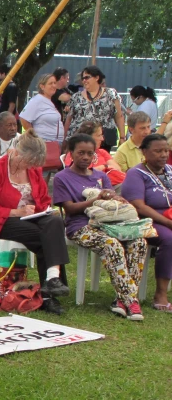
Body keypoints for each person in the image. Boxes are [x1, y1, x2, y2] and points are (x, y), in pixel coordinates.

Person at [53, 133, 145, 320]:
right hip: (79, 227)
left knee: (139, 242)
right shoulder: (62, 178)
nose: (86, 157)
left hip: (108, 223)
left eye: (90, 153)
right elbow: (69, 208)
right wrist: (95, 200)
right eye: (81, 153)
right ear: (71, 153)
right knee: (111, 244)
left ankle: (122, 299)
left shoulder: (101, 176)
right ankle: (131, 301)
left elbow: (110, 201)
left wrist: (114, 199)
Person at [0, 130, 70, 314]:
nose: (30, 167)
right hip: (2, 220)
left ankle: (51, 282)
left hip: (30, 218)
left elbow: (43, 198)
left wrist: (42, 210)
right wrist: (16, 211)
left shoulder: (33, 170)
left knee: (55, 222)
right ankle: (50, 290)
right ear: (18, 153)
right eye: (28, 162)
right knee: (47, 237)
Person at [121, 133, 172, 311]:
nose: (164, 154)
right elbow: (139, 206)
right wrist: (167, 222)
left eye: (166, 150)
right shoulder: (136, 173)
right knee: (169, 239)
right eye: (158, 151)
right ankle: (160, 293)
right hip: (147, 221)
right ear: (144, 152)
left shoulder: (170, 171)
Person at [64, 66, 125, 150]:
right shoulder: (76, 97)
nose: (84, 80)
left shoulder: (111, 94)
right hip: (80, 140)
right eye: (83, 78)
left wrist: (122, 137)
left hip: (103, 139)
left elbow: (119, 116)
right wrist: (64, 139)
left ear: (97, 77)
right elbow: (69, 119)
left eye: (87, 77)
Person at [62, 121, 124, 189]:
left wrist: (102, 167)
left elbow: (117, 168)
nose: (102, 139)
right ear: (88, 137)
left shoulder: (102, 152)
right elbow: (79, 173)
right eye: (99, 135)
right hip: (94, 187)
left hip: (115, 183)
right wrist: (104, 166)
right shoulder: (74, 154)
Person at [19, 74, 64, 146]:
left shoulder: (49, 101)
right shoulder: (37, 100)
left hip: (55, 144)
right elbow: (24, 118)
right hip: (44, 144)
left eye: (55, 83)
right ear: (42, 86)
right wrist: (34, 137)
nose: (54, 86)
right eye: (50, 83)